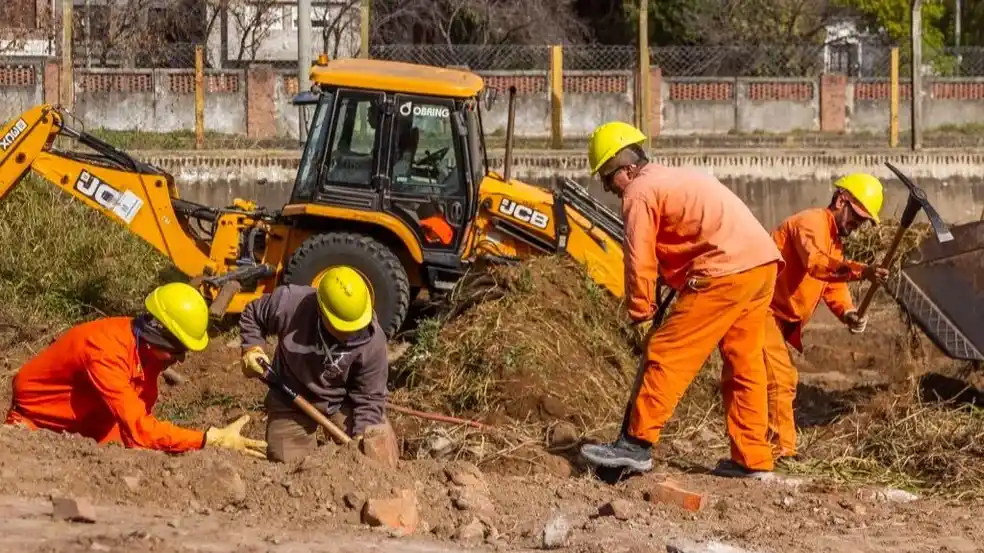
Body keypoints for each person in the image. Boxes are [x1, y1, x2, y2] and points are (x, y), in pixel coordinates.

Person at [578, 121, 785, 479]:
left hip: (724, 270)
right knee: (744, 362)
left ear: (626, 168)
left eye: (609, 178)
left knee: (668, 354)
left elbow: (638, 258)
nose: (609, 188)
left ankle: (636, 445)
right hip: (760, 263)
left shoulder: (639, 193)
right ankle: (752, 458)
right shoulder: (674, 177)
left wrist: (642, 312)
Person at [4, 282, 267, 458]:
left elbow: (139, 421)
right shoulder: (105, 351)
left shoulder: (146, 351)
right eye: (177, 351)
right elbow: (140, 429)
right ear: (158, 337)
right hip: (36, 428)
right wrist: (208, 439)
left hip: (91, 424)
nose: (182, 360)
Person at [765, 173, 890, 462]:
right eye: (857, 216)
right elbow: (817, 264)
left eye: (863, 221)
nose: (857, 225)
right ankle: (779, 451)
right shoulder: (810, 223)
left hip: (780, 321)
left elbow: (832, 284)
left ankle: (758, 445)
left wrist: (847, 312)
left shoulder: (834, 240)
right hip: (762, 311)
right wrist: (863, 271)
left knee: (761, 380)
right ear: (840, 199)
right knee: (781, 379)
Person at [239, 265, 390, 463]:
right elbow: (253, 314)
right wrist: (252, 348)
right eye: (342, 328)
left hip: (341, 402)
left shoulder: (373, 340)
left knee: (373, 449)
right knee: (291, 466)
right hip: (289, 396)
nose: (351, 335)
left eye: (355, 328)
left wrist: (362, 436)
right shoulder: (290, 303)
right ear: (321, 311)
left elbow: (370, 398)